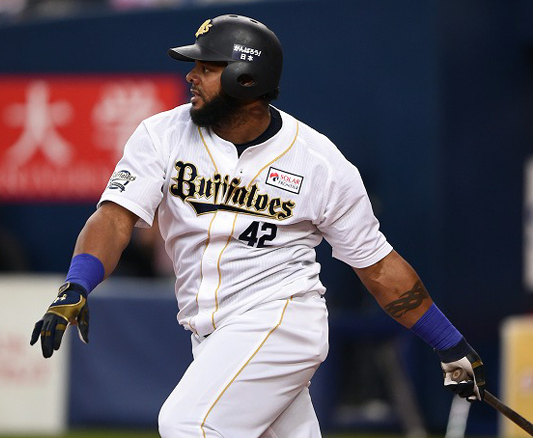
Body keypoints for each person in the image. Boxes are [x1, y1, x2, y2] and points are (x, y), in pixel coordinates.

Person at [30, 14, 486, 438]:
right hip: (212, 336)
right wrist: (76, 284)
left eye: (207, 67)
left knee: (189, 424)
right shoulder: (161, 135)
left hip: (282, 320)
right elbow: (114, 217)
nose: (191, 76)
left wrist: (449, 344)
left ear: (245, 78)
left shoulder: (319, 162)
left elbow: (379, 266)